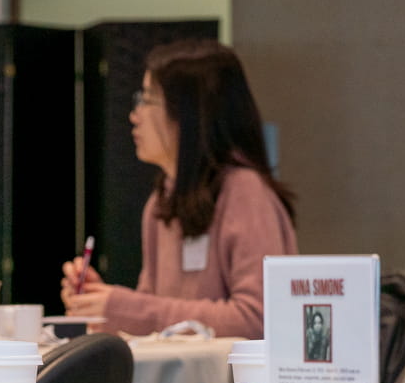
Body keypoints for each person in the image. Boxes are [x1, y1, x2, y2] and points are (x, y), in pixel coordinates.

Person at [60, 40, 296, 338]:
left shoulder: (245, 193)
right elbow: (154, 322)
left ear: (188, 113)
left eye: (146, 100)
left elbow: (258, 319)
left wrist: (127, 309)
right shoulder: (161, 202)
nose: (135, 115)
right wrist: (99, 302)